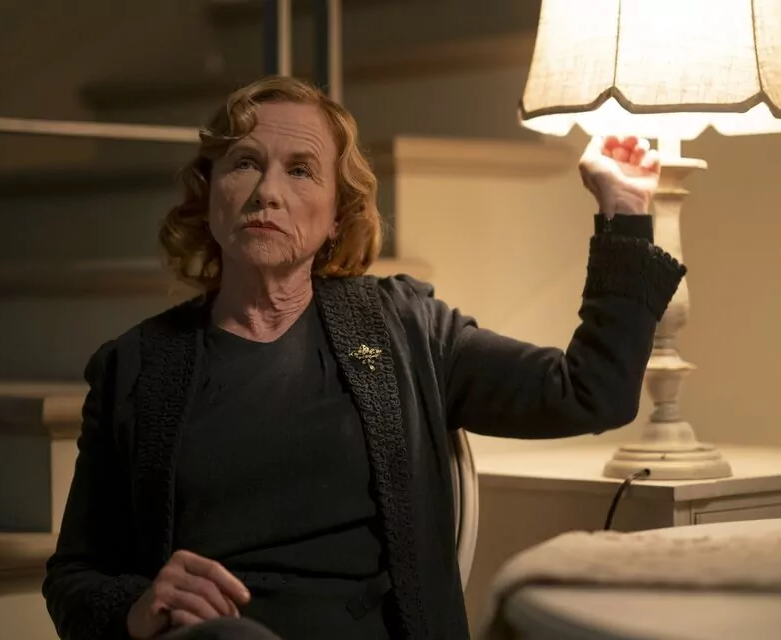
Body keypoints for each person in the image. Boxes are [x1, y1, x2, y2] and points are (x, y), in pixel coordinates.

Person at [42, 75, 684, 640]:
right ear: (210, 196)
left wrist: (625, 214)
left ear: (335, 216)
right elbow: (75, 577)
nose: (267, 192)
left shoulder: (406, 330)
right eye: (245, 163)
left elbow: (591, 392)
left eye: (300, 170)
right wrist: (137, 608)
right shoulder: (136, 368)